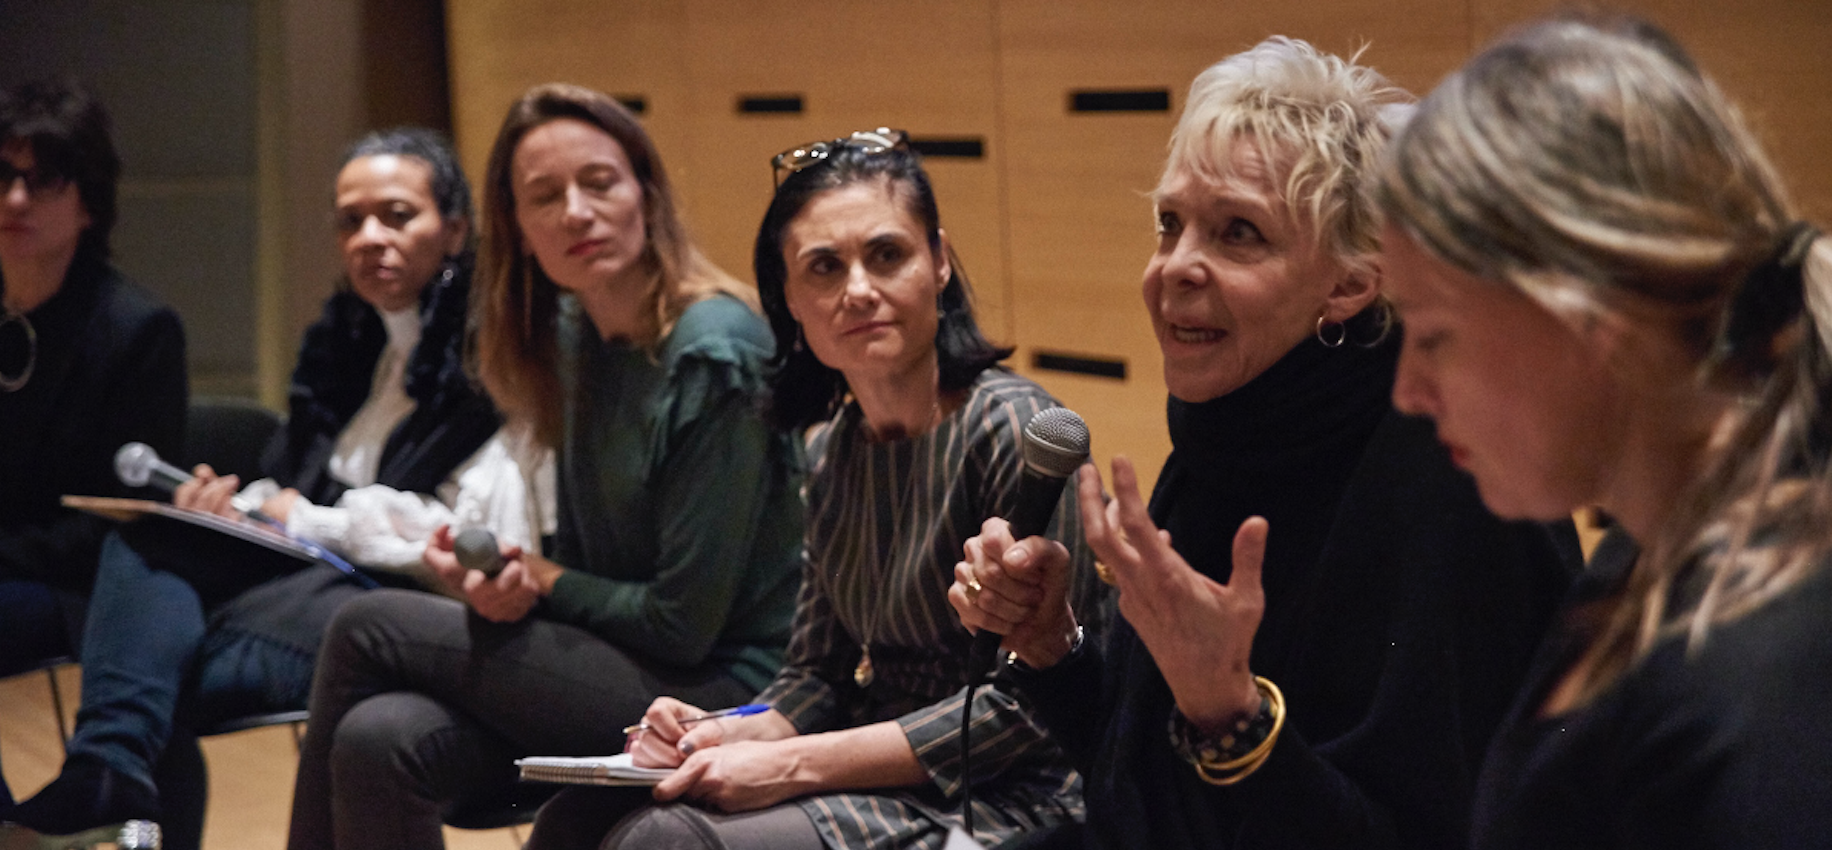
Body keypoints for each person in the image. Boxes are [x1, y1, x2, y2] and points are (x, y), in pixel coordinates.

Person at [951, 38, 1579, 849]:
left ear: (1352, 283)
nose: (1176, 266)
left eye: (1237, 232)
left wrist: (1229, 714)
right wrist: (1053, 648)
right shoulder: (1236, 428)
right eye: (1169, 223)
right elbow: (1148, 788)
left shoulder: (1452, 482)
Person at [525, 131, 1106, 850]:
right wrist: (715, 732)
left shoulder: (1013, 430)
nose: (858, 290)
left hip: (1011, 796)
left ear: (940, 263)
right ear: (790, 300)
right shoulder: (831, 446)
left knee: (666, 842)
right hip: (873, 770)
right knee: (573, 821)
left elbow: (1027, 713)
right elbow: (816, 672)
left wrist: (790, 763)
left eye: (887, 255)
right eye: (824, 268)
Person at [284, 83, 805, 850]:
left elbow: (681, 624)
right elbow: (603, 560)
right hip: (620, 663)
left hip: (725, 691)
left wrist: (547, 580)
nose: (575, 214)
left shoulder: (714, 352)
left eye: (599, 183)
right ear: (518, 229)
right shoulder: (571, 330)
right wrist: (511, 584)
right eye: (544, 197)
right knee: (377, 735)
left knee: (366, 624)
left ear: (645, 194)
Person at [1377, 16, 1832, 849]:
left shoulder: (1767, 685)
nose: (1407, 390)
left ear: (1590, 314)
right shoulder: (1641, 555)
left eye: (1433, 334)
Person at [4, 127, 521, 850]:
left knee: (145, 660)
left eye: (397, 216)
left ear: (457, 228)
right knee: (156, 535)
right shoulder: (349, 341)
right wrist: (238, 508)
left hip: (406, 608)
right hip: (305, 584)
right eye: (351, 221)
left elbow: (462, 529)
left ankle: (109, 774)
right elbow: (294, 491)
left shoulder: (494, 356)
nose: (370, 237)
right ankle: (107, 773)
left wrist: (301, 518)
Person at [0, 77, 186, 811]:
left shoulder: (136, 329)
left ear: (87, 203)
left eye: (42, 180)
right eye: (3, 176)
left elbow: (123, 521)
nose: (16, 200)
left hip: (81, 588)